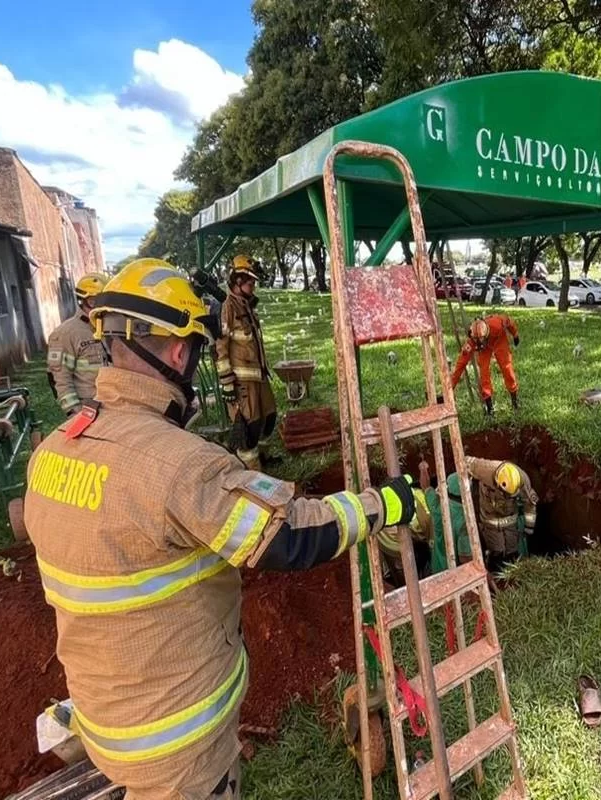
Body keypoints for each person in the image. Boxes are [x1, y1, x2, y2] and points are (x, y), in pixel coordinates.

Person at [24, 258, 416, 800]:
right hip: (180, 750)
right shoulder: (179, 466)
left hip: (107, 724)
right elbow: (288, 537)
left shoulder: (52, 451)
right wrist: (381, 506)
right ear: (181, 352)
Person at [215, 255, 278, 470]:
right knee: (249, 429)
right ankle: (253, 472)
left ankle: (263, 459)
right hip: (242, 381)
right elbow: (221, 346)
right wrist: (227, 384)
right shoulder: (228, 308)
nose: (253, 287)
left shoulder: (247, 306)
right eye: (250, 283)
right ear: (237, 282)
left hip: (259, 376)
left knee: (269, 418)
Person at [47, 272, 110, 415]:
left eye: (103, 301)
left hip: (114, 407)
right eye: (93, 301)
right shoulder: (65, 334)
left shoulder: (110, 328)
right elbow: (59, 379)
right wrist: (74, 413)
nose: (99, 307)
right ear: (82, 300)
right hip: (88, 408)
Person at [466, 456, 536, 570]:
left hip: (510, 521)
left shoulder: (523, 481)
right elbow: (464, 462)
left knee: (512, 552)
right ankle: (494, 571)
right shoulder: (485, 469)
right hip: (490, 520)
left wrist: (528, 528)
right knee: (497, 552)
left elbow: (530, 504)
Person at [451, 314, 521, 416]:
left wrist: (515, 335)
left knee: (507, 368)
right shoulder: (472, 341)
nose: (477, 343)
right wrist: (451, 386)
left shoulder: (497, 324)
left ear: (485, 335)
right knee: (484, 372)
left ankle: (515, 401)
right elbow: (460, 364)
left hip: (498, 340)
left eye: (479, 341)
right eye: (475, 341)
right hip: (485, 349)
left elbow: (509, 321)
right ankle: (490, 408)